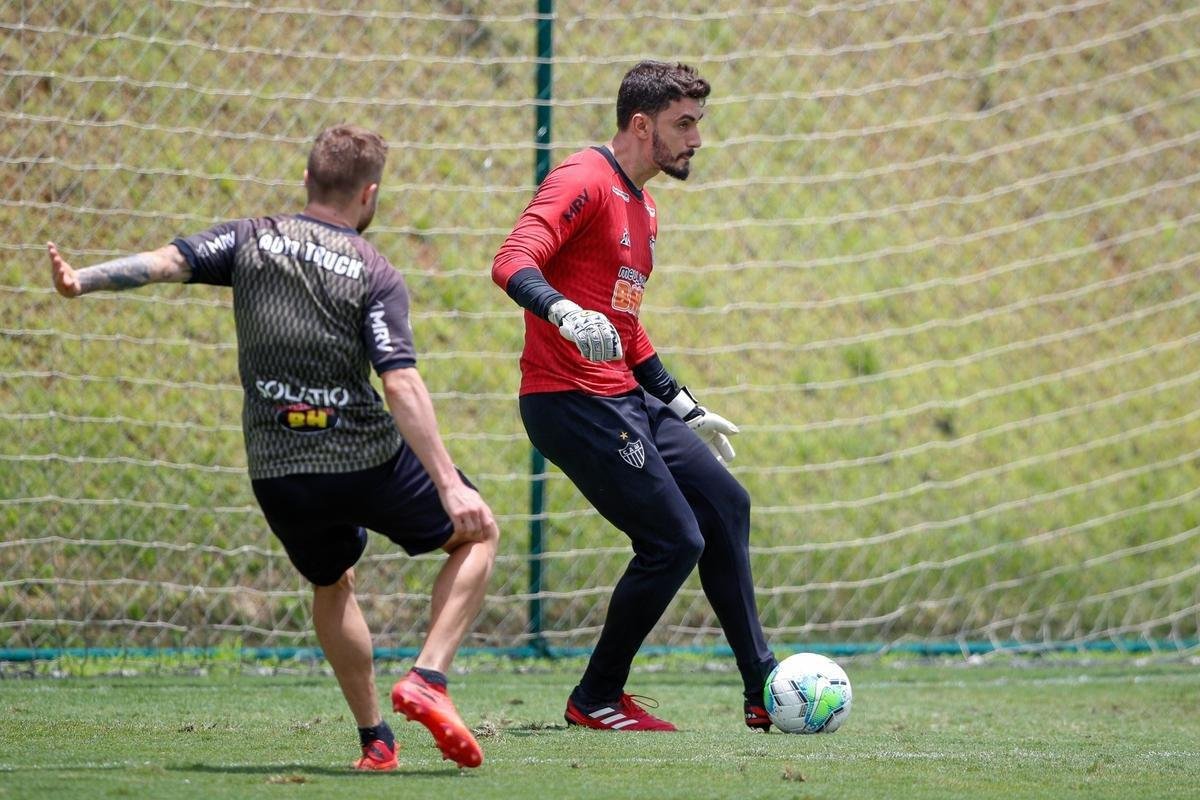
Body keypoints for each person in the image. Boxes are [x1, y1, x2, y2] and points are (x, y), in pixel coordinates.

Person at [48, 125, 499, 769]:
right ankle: (428, 677)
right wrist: (450, 484)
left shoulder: (249, 238)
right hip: (362, 457)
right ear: (369, 194)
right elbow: (399, 381)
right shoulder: (374, 271)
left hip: (278, 471)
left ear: (307, 181)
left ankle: (376, 741)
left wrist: (82, 280)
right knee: (478, 534)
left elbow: (166, 262)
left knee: (330, 579)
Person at [491, 61, 778, 732]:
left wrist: (681, 404)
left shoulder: (645, 209)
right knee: (674, 540)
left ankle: (763, 686)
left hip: (623, 396)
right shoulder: (583, 180)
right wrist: (562, 311)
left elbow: (625, 326)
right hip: (567, 398)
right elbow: (511, 260)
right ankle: (596, 696)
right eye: (685, 124)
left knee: (726, 503)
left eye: (698, 124)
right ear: (642, 125)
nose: (696, 140)